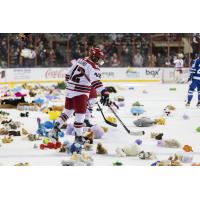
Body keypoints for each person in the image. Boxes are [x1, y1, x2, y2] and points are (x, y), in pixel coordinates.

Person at [50, 47, 110, 144]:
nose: (99, 62)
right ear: (94, 57)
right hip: (80, 93)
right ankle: (78, 138)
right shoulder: (94, 67)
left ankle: (55, 128)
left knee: (67, 112)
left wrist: (73, 84)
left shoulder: (81, 60)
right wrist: (104, 92)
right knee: (80, 115)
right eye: (99, 59)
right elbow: (96, 82)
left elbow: (67, 75)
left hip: (69, 90)